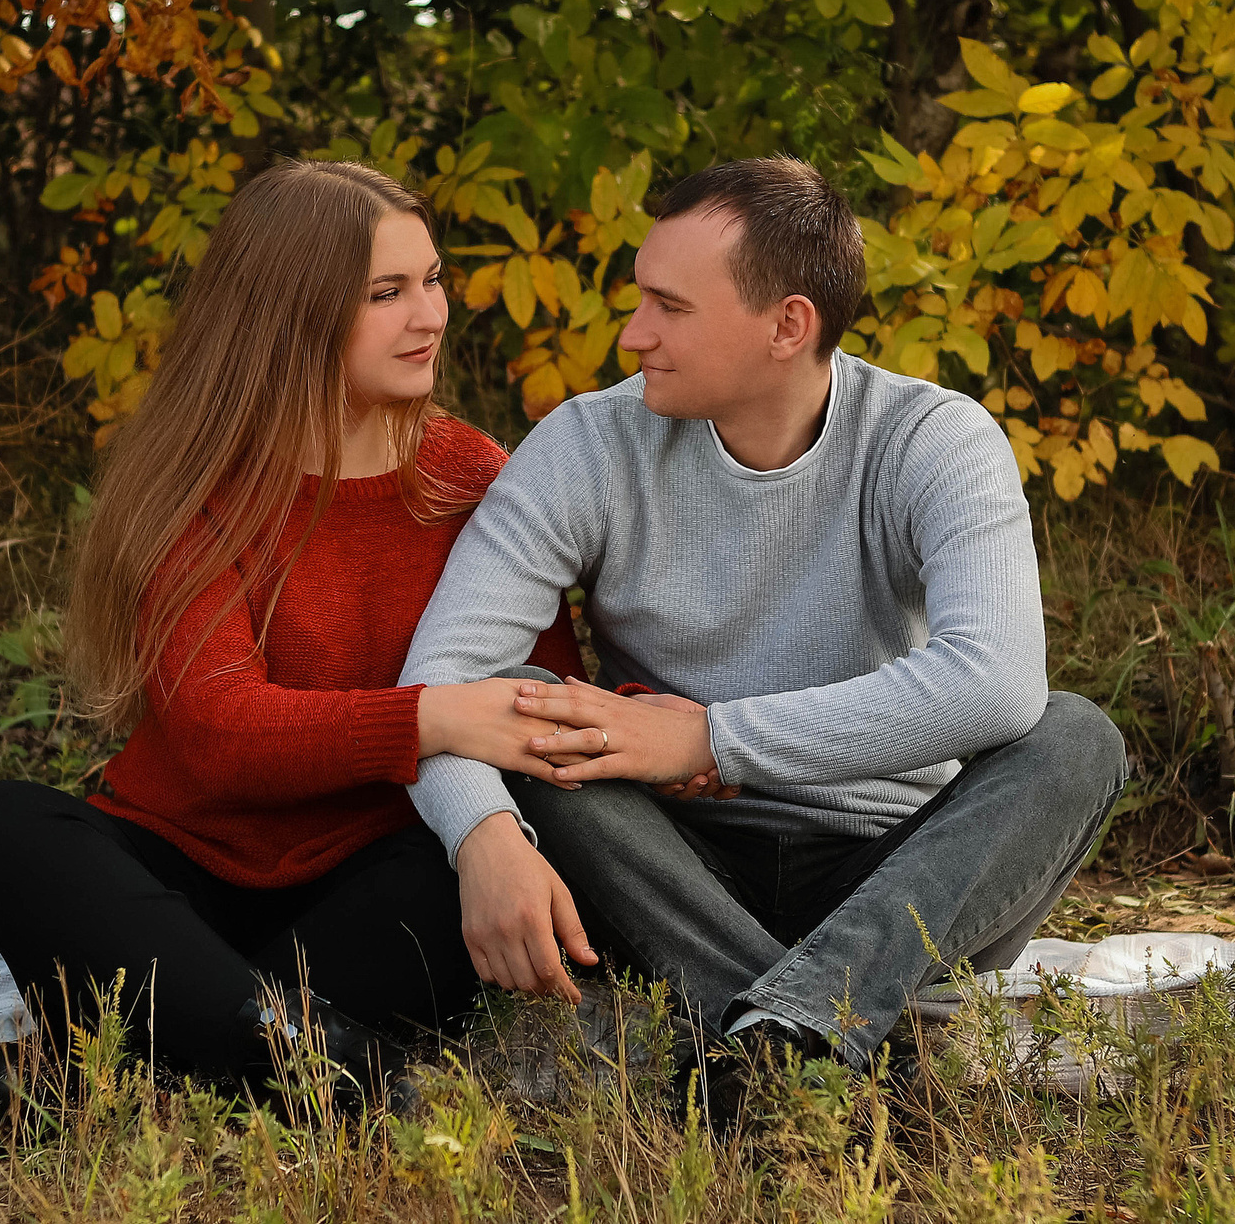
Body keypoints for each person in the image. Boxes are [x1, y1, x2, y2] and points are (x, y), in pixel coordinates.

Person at [397, 156, 1131, 1070]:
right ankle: (819, 1027)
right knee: (525, 702)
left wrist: (711, 739)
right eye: (640, 297)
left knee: (1074, 736)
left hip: (898, 875)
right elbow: (441, 683)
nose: (633, 333)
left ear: (789, 325)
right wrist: (482, 834)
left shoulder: (933, 439)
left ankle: (774, 1029)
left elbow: (997, 681)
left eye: (671, 307)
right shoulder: (590, 442)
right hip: (673, 873)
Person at [0, 160, 587, 1094]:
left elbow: (542, 696)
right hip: (179, 879)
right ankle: (303, 1056)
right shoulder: (201, 484)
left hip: (375, 885)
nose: (431, 315)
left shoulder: (471, 475)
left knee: (463, 874)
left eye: (433, 279)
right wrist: (432, 715)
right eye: (387, 293)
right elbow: (222, 733)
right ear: (292, 313)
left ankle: (136, 1064)